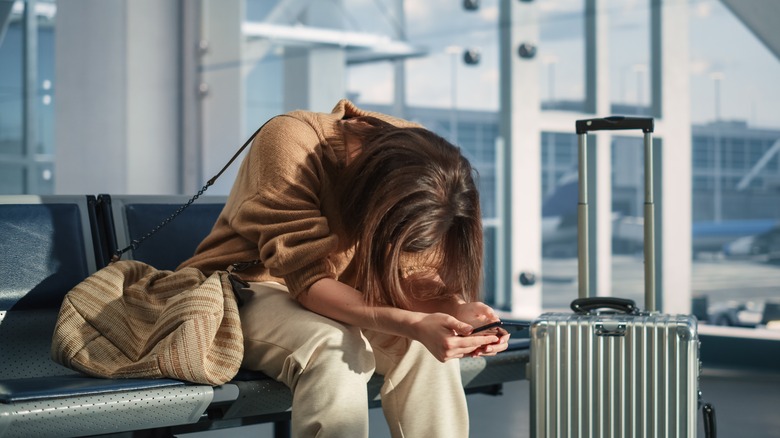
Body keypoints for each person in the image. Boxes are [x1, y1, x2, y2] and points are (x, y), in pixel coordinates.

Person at [179, 99, 510, 437]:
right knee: (333, 346)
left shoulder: (425, 162)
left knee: (424, 350)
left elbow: (410, 272)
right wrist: (412, 322)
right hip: (245, 289)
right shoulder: (291, 140)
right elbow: (309, 281)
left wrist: (454, 309)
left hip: (341, 299)